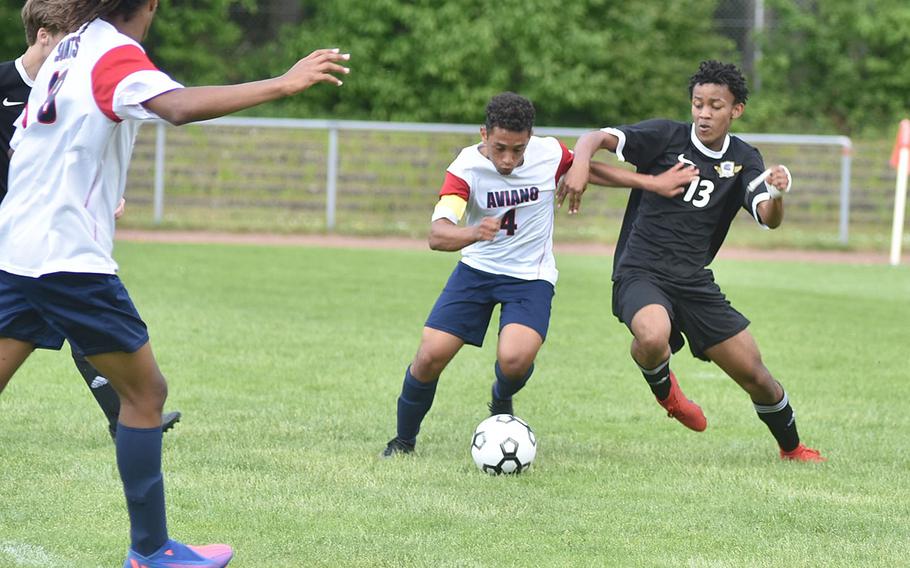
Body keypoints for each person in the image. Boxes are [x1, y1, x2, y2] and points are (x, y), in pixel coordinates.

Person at [0, 0, 350, 566]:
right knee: (145, 395)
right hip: (66, 259)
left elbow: (26, 141)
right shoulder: (112, 53)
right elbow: (178, 107)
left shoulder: (70, 45)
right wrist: (281, 84)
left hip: (17, 247)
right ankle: (151, 552)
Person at [381, 92, 694, 457]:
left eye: (518, 149)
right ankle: (403, 441)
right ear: (483, 134)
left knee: (514, 362)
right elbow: (438, 234)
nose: (509, 159)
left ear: (530, 138)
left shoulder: (548, 153)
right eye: (500, 148)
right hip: (476, 272)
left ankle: (501, 397)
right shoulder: (464, 167)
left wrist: (650, 183)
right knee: (430, 355)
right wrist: (473, 232)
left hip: (531, 278)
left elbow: (587, 168)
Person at [558, 60, 825, 462]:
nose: (703, 113)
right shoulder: (664, 137)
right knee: (652, 335)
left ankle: (793, 449)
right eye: (698, 103)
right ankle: (669, 395)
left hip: (694, 282)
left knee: (758, 377)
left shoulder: (743, 158)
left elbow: (768, 219)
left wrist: (778, 194)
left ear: (736, 110)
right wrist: (579, 166)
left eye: (715, 105)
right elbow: (593, 138)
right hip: (640, 271)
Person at [0, 0, 181, 441]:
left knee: (81, 323)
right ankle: (134, 414)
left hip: (33, 233)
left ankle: (127, 415)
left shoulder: (64, 78)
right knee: (83, 309)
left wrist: (92, 191)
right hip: (33, 234)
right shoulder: (13, 79)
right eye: (65, 37)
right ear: (45, 35)